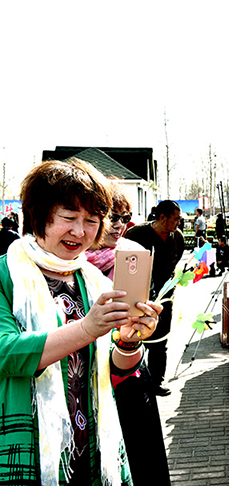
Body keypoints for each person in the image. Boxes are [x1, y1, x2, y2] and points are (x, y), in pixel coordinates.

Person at [0, 160, 161, 484]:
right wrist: (87, 328)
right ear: (39, 215)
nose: (80, 231)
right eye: (69, 217)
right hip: (31, 445)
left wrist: (129, 341)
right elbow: (6, 352)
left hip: (92, 450)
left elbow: (114, 372)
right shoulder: (6, 275)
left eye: (91, 220)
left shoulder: (94, 281)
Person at [84, 184, 170, 484]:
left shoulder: (134, 255)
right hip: (85, 372)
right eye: (112, 217)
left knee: (140, 456)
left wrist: (146, 316)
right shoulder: (67, 264)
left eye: (125, 217)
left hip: (128, 368)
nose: (119, 225)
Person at [126, 199, 185, 396]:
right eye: (176, 219)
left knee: (160, 339)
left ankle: (156, 382)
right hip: (138, 296)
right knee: (135, 336)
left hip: (165, 296)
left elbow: (175, 261)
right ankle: (133, 380)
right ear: (162, 218)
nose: (178, 223)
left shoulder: (177, 237)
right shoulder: (136, 235)